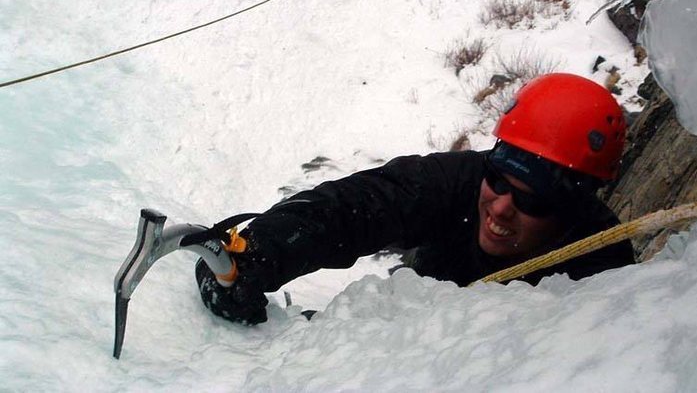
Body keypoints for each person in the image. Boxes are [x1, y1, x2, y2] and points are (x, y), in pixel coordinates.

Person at [195, 73, 635, 325]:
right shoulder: (459, 180)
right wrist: (254, 256)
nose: (500, 207)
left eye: (531, 201)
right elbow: (358, 206)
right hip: (406, 330)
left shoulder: (601, 270)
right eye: (498, 181)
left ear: (574, 209)